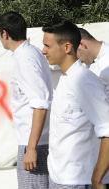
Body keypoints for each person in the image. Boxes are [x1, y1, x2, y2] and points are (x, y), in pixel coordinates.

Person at [42, 21, 109, 189]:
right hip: (60, 178)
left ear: (66, 47)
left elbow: (107, 129)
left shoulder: (84, 81)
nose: (43, 51)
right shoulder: (66, 79)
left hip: (78, 181)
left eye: (47, 46)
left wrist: (97, 178)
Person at [0, 12, 52, 189]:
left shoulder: (25, 58)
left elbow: (41, 103)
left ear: (4, 33)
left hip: (35, 143)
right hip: (35, 142)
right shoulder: (31, 53)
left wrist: (32, 148)